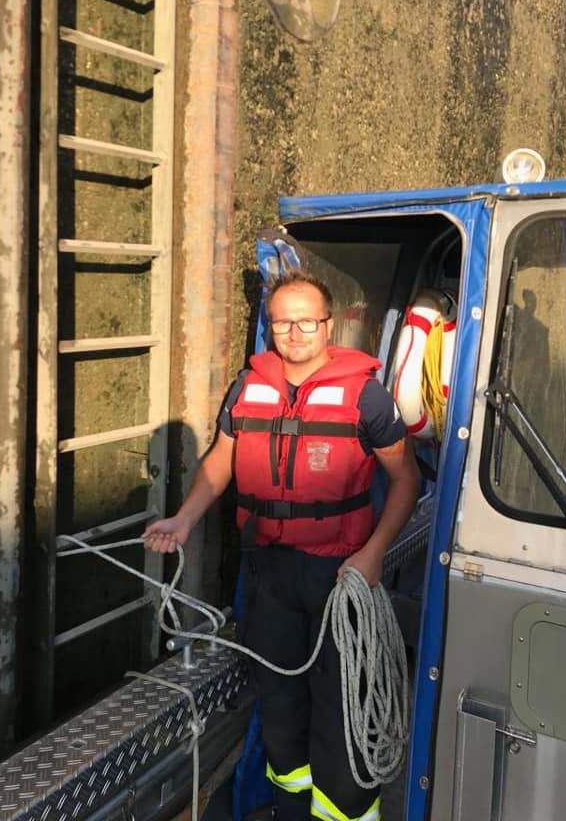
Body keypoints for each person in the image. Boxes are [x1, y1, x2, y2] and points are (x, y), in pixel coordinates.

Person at [144, 271, 421, 821]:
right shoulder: (247, 388)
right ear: (270, 328)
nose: (294, 333)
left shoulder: (367, 396)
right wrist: (184, 519)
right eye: (281, 323)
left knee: (342, 712)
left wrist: (373, 553)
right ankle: (290, 810)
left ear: (328, 324)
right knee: (280, 708)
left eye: (306, 322)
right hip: (268, 574)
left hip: (339, 578)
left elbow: (407, 479)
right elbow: (221, 461)